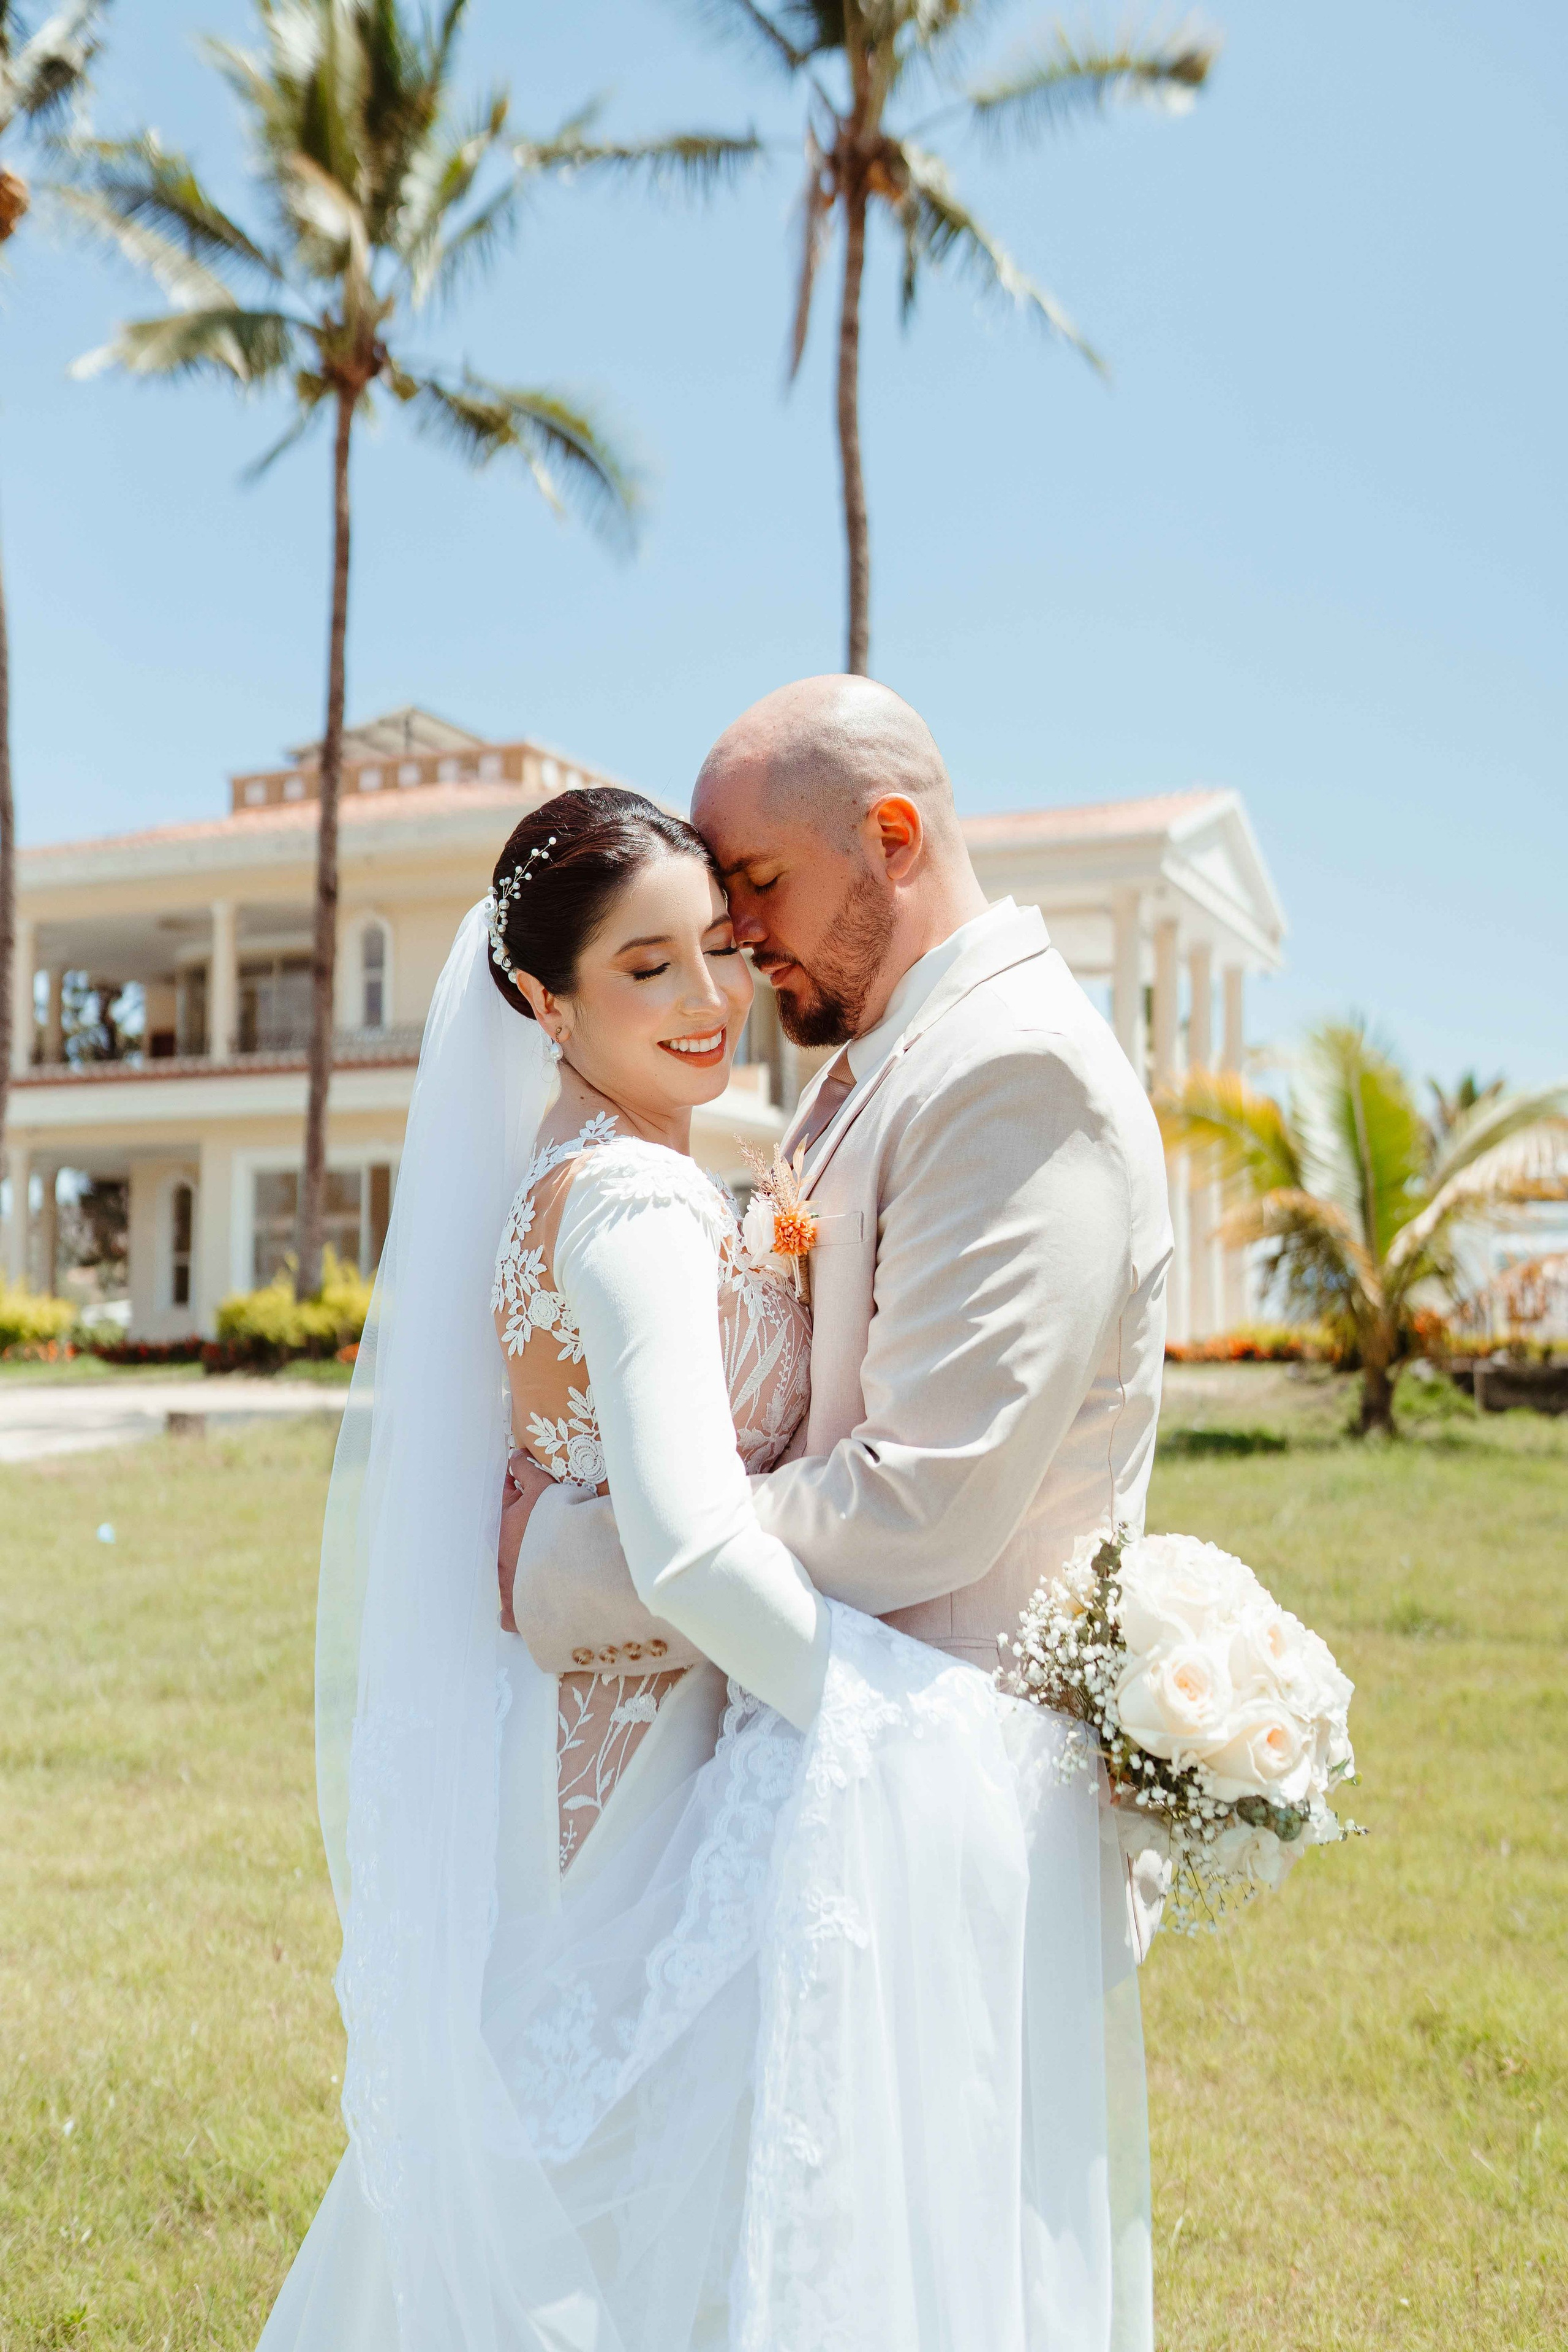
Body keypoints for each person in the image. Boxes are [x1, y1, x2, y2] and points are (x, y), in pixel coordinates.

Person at [259, 727, 1155, 2352]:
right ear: (543, 1002)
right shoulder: (636, 1201)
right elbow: (682, 1548)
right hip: (647, 1761)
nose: (707, 1001)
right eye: (647, 966)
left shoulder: (603, 1164)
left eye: (721, 950)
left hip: (615, 1738)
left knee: (556, 2162)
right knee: (587, 2190)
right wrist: (884, 1713)